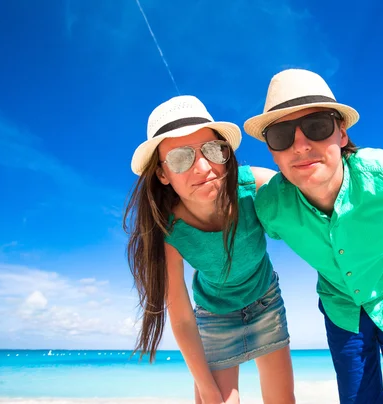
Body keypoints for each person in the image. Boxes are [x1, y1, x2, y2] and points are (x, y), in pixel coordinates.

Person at [244, 69, 383, 404]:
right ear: (271, 151)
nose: (301, 145)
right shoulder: (271, 209)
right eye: (281, 135)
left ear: (342, 133)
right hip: (341, 311)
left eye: (317, 126)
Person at [124, 95, 295, 404]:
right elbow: (182, 318)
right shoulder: (169, 232)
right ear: (162, 174)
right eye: (180, 158)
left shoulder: (252, 185)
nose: (203, 167)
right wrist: (205, 388)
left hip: (265, 300)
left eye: (212, 150)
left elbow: (309, 201)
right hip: (214, 315)